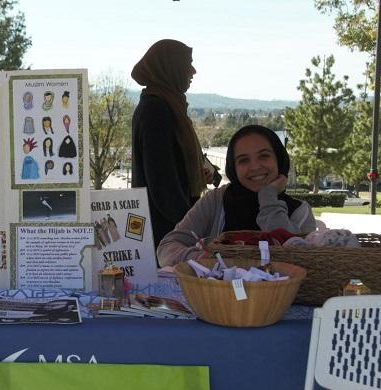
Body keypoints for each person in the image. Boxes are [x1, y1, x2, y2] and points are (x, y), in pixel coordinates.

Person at [156, 125, 317, 266]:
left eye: (264, 156)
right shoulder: (217, 200)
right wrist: (202, 259)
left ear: (279, 159)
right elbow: (166, 248)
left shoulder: (299, 212)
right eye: (243, 160)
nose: (254, 166)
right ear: (233, 167)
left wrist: (268, 197)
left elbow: (295, 262)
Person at [131, 39, 215, 248]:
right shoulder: (156, 110)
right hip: (167, 232)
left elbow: (177, 158)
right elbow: (162, 183)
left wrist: (204, 169)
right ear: (170, 67)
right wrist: (189, 227)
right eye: (188, 64)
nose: (193, 71)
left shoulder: (166, 104)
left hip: (169, 227)